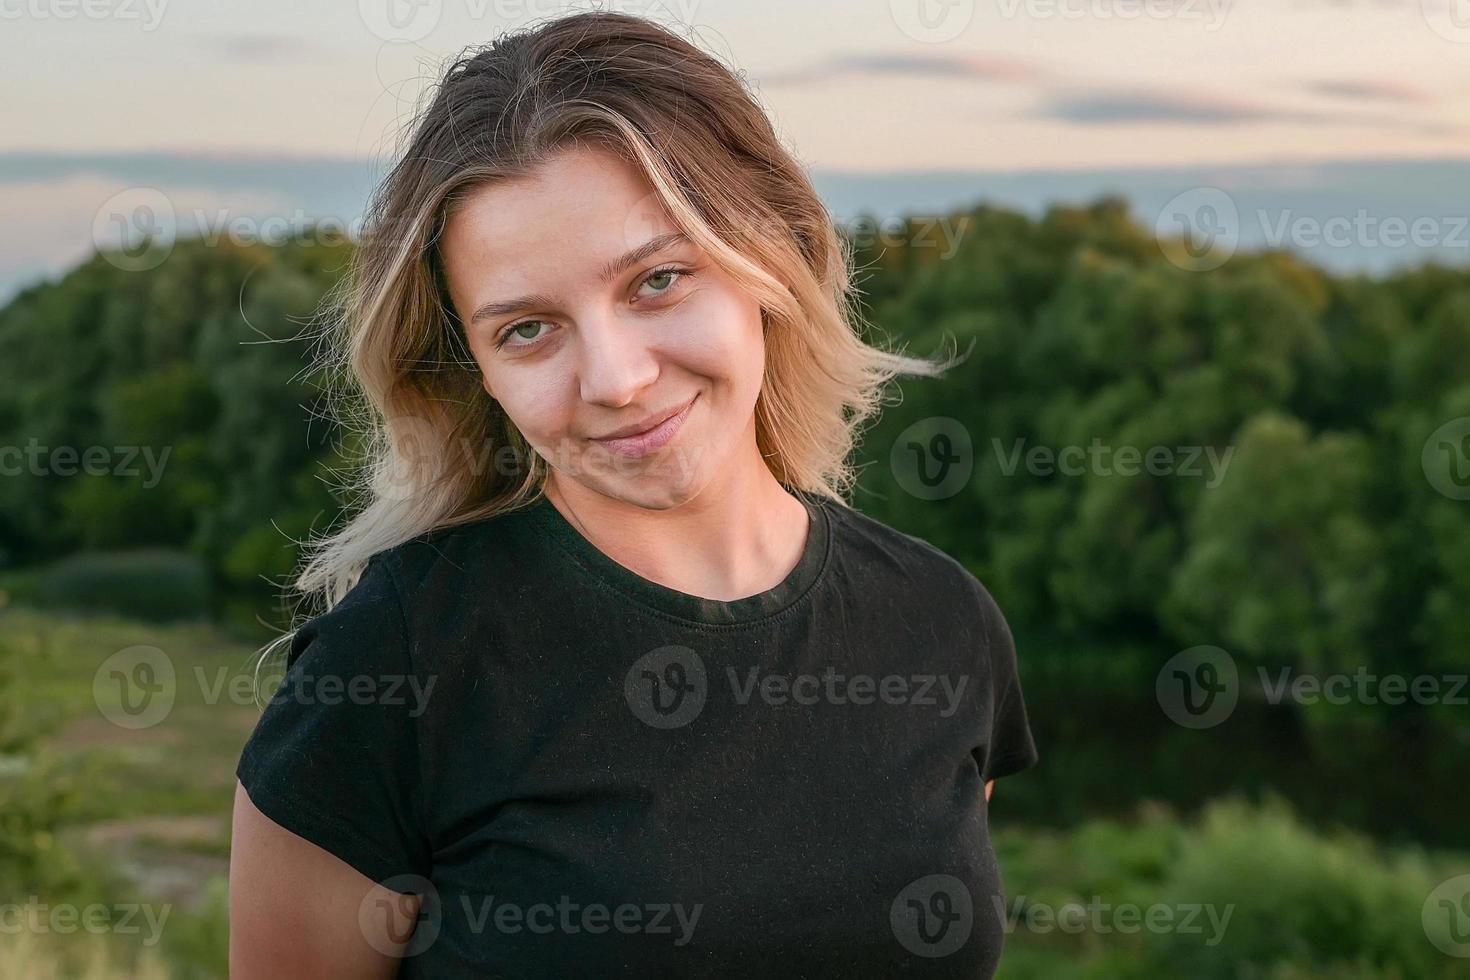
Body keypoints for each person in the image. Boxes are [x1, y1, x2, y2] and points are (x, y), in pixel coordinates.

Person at [229, 11, 1038, 978]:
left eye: (657, 280)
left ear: (767, 262)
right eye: (528, 329)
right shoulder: (392, 665)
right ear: (474, 368)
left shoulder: (939, 623)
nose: (613, 378)